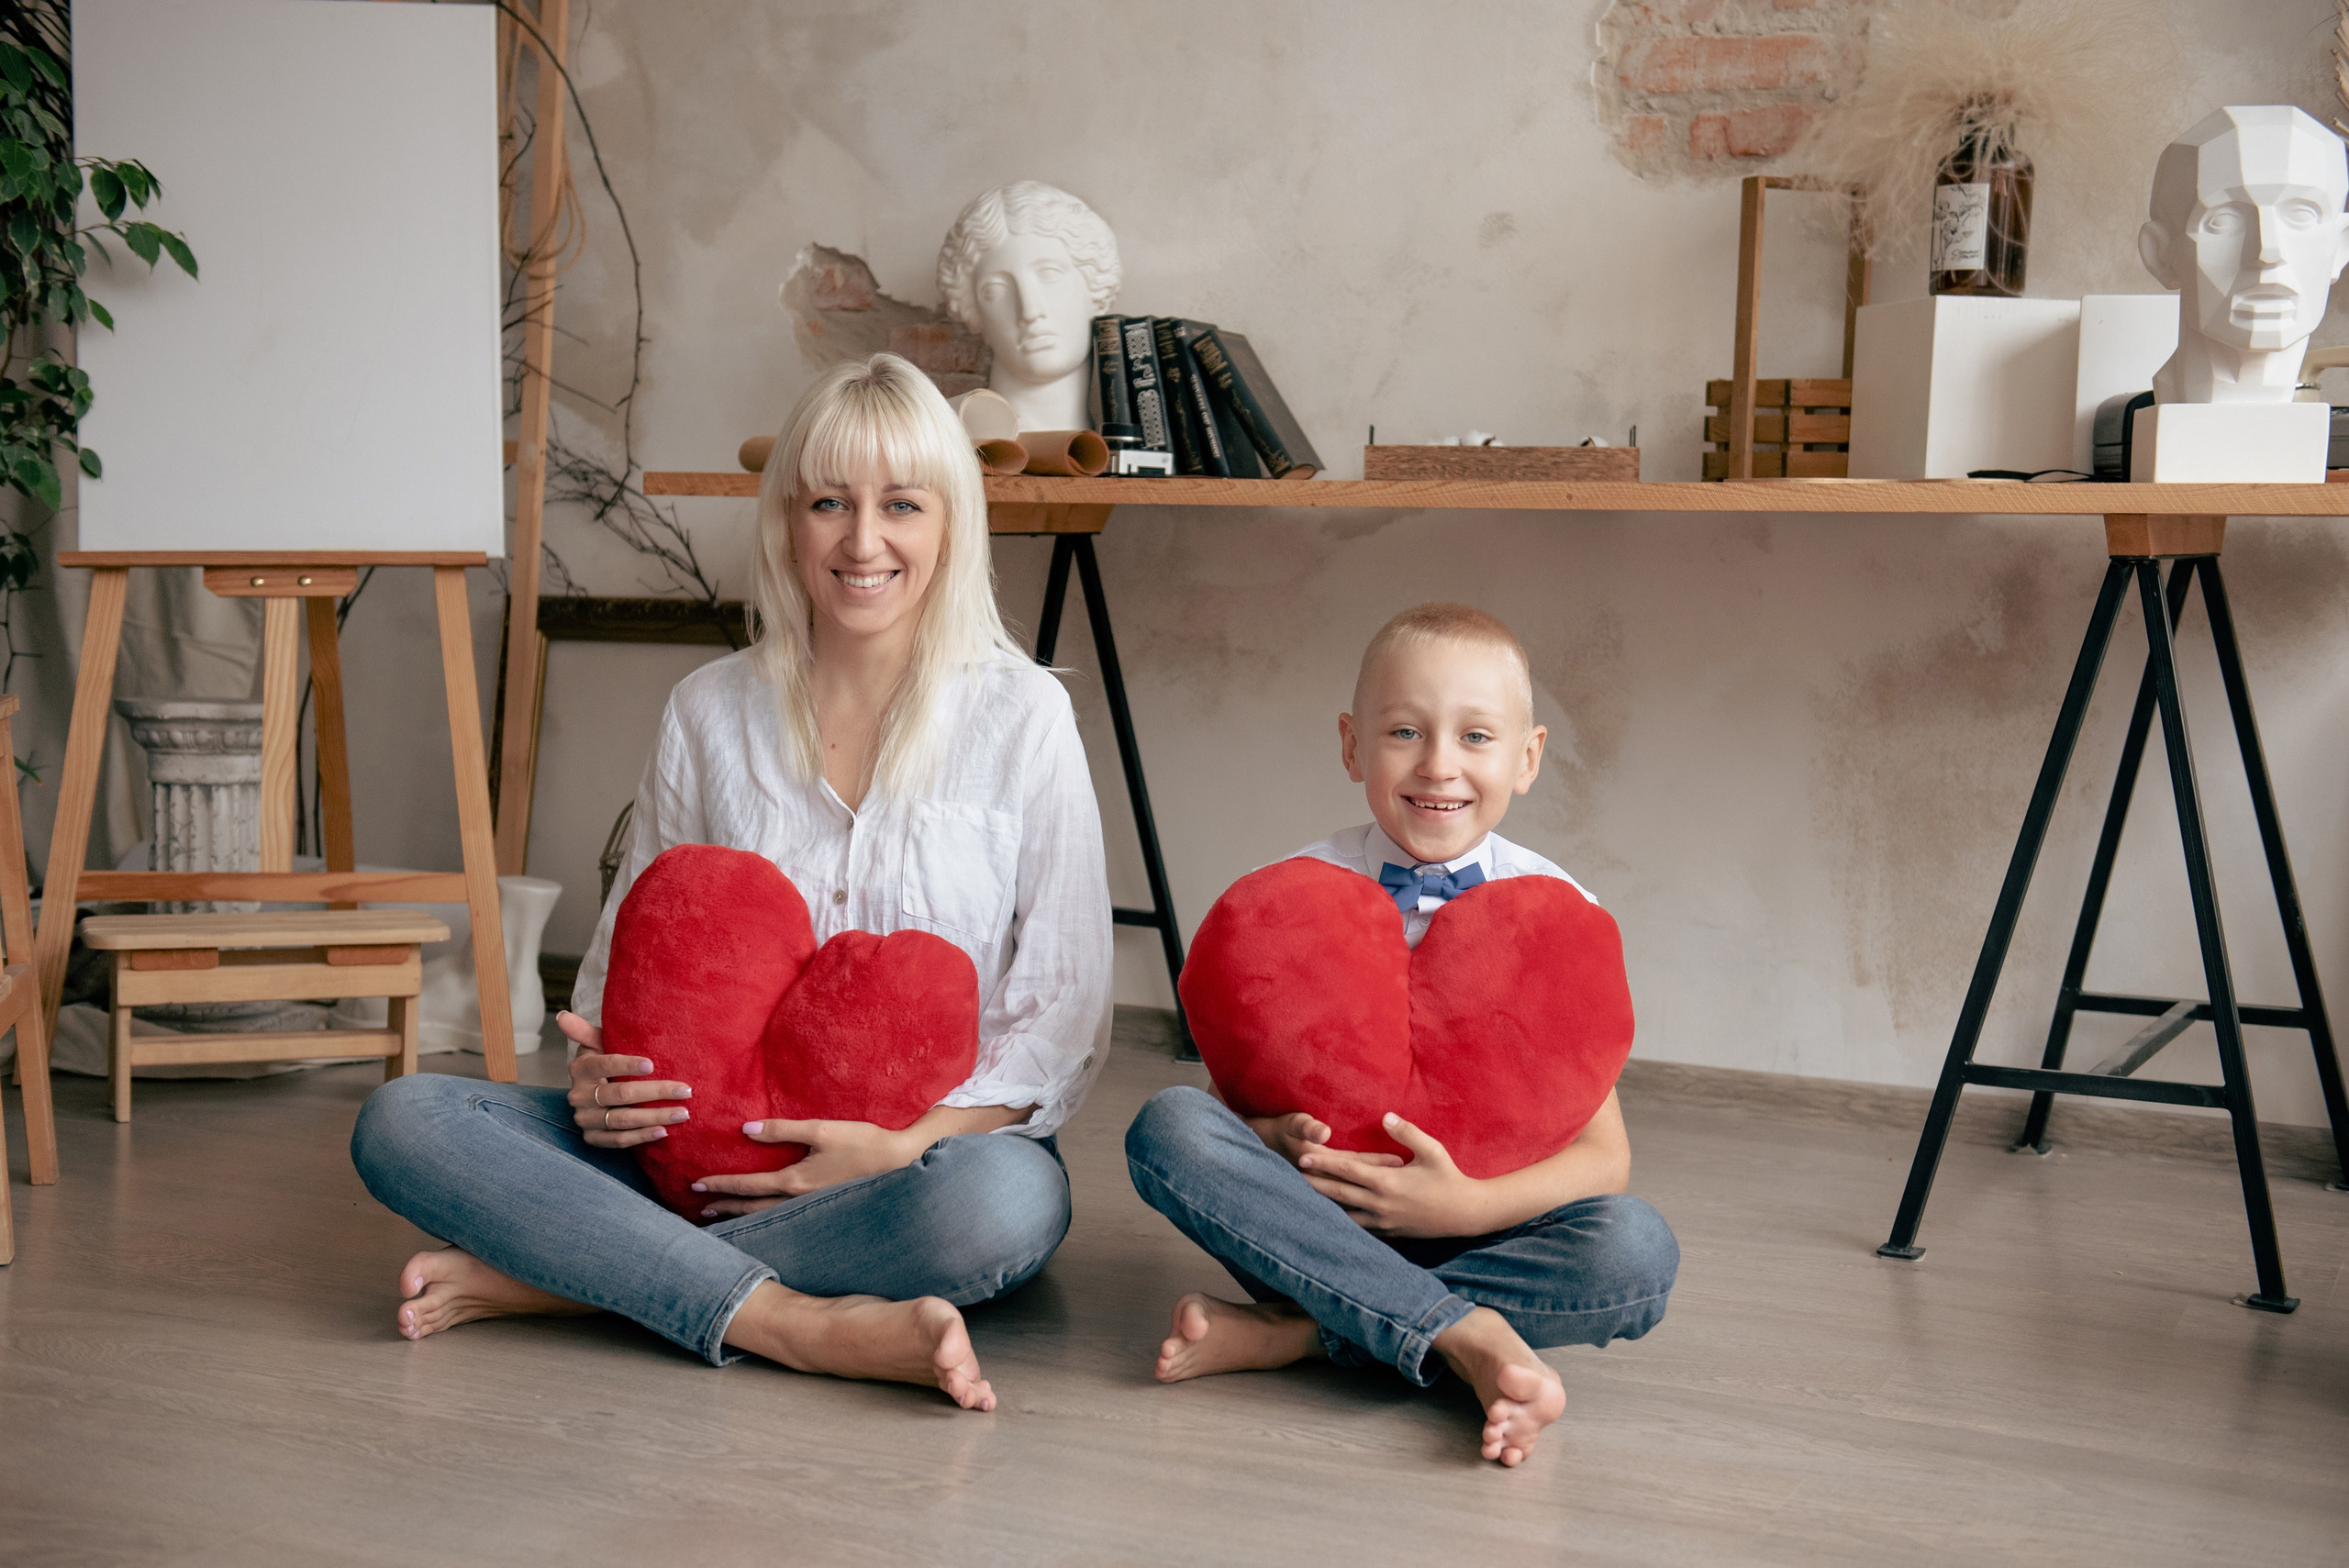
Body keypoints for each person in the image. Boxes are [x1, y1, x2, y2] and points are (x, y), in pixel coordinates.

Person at [350, 353, 1113, 1410]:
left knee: (1002, 1210)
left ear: (950, 522)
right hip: (692, 1151)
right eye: (829, 503)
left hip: (917, 1164)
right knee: (406, 1120)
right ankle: (789, 1319)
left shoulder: (1022, 716)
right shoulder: (708, 710)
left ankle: (584, 1278)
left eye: (901, 504)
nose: (862, 541)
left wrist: (902, 1143)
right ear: (786, 520)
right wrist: (600, 1077)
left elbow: (1063, 1010)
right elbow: (631, 958)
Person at [1123, 603, 1678, 1466]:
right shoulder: (1294, 899)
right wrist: (1271, 1136)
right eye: (1406, 731)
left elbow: (1605, 1159)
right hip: (1314, 1224)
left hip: (1488, 1231)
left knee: (1637, 1249)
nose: (1439, 766)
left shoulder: (1555, 917)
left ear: (1527, 756)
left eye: (1476, 737)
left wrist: (1462, 1205)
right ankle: (1465, 1334)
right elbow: (1231, 1104)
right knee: (1166, 1126)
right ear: (1352, 744)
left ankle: (1306, 1334)